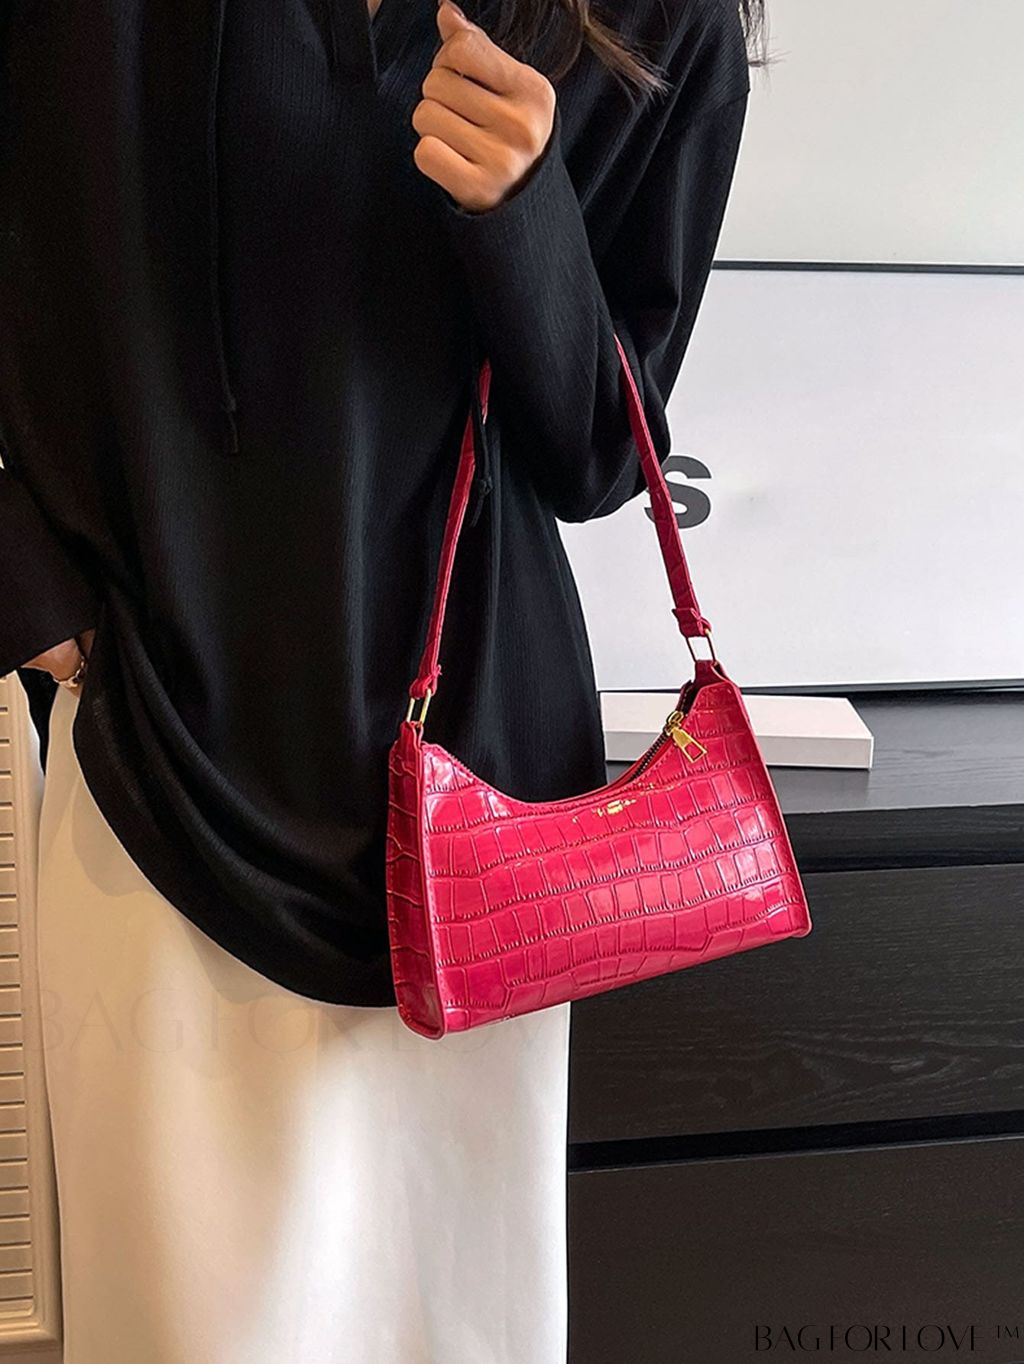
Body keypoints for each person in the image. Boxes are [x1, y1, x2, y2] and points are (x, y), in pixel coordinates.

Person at [0, 0, 757, 1358]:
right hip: (161, 767)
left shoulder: (653, 16)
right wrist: (30, 595)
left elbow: (601, 452)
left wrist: (525, 214)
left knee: (448, 1328)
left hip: (481, 821)